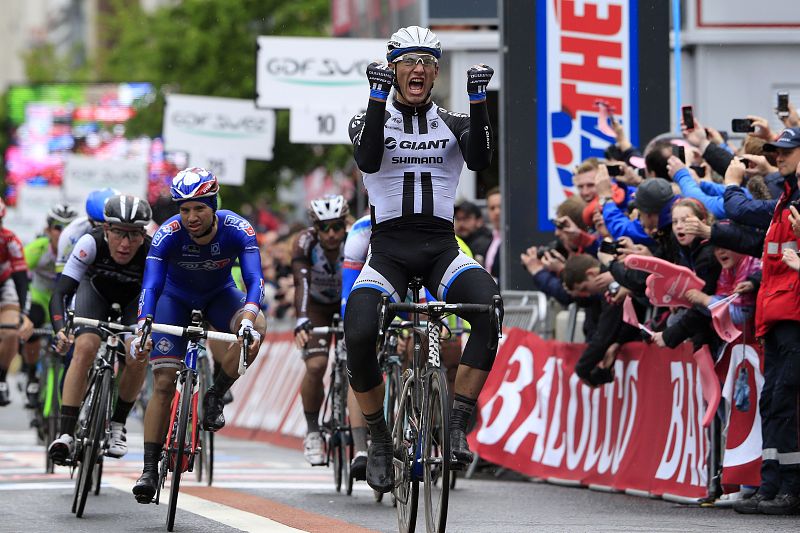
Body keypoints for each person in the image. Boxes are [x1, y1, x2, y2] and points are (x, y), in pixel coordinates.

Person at [345, 25, 500, 493]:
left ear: (436, 74)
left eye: (429, 62)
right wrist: (375, 99)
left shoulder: (452, 121)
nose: (419, 69)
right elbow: (370, 160)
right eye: (410, 61)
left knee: (488, 308)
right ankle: (377, 437)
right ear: (393, 68)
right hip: (388, 252)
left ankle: (455, 423)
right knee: (359, 332)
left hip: (441, 251)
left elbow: (480, 161)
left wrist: (479, 101)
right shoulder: (368, 117)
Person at [131, 167, 266, 504]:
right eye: (184, 209)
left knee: (258, 329)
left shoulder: (238, 229)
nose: (191, 217)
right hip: (173, 300)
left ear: (214, 204)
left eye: (199, 208)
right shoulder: (168, 234)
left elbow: (255, 281)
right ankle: (148, 468)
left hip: (220, 296)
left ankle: (215, 393)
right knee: (163, 382)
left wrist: (248, 318)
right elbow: (151, 284)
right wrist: (144, 321)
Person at [47, 195, 153, 464]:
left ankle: (118, 425)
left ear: (143, 235)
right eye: (119, 233)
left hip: (133, 302)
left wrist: (144, 335)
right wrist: (61, 329)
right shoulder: (89, 243)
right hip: (94, 295)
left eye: (133, 235)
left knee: (136, 352)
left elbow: (156, 300)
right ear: (106, 230)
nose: (125, 243)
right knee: (85, 347)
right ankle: (66, 434)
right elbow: (61, 292)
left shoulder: (152, 252)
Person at [292, 195, 368, 479]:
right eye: (325, 228)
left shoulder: (356, 240)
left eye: (337, 226)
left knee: (357, 365)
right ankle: (313, 430)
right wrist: (301, 319)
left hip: (349, 301)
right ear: (315, 228)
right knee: (316, 365)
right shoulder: (304, 243)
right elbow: (300, 282)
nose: (332, 234)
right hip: (316, 307)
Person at [21, 204, 79, 407]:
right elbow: (17, 275)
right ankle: (31, 376)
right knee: (32, 324)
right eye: (57, 227)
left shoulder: (79, 250)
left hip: (64, 302)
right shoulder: (37, 249)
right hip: (39, 299)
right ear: (48, 230)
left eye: (68, 227)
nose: (62, 233)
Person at [0, 197, 33, 406]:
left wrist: (23, 314)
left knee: (11, 331)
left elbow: (21, 279)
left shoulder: (10, 240)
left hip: (4, 285)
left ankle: (1, 379)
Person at [55, 188, 119, 274]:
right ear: (89, 220)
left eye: (112, 225)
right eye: (99, 225)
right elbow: (63, 272)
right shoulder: (72, 232)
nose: (105, 230)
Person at [484, 187, 502, 283]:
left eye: (501, 207)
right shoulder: (487, 239)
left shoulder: (516, 240)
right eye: (492, 208)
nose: (497, 212)